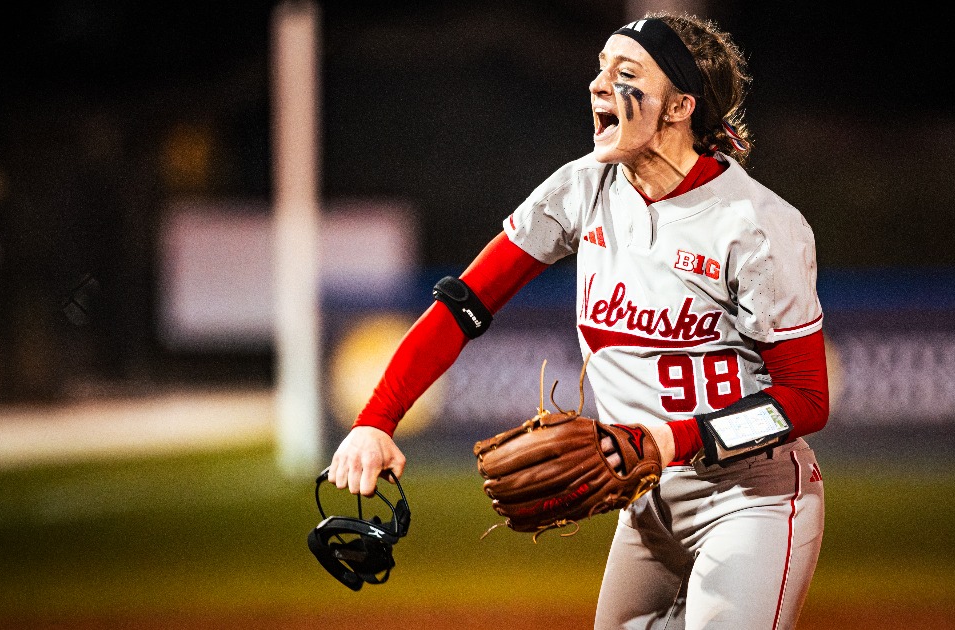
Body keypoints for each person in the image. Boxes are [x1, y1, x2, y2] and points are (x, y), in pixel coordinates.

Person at [328, 11, 829, 629]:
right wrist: (376, 420)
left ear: (678, 107)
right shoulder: (582, 188)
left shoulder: (757, 225)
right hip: (646, 504)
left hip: (750, 498)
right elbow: (463, 305)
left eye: (624, 73)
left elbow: (805, 399)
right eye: (598, 68)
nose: (597, 85)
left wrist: (668, 441)